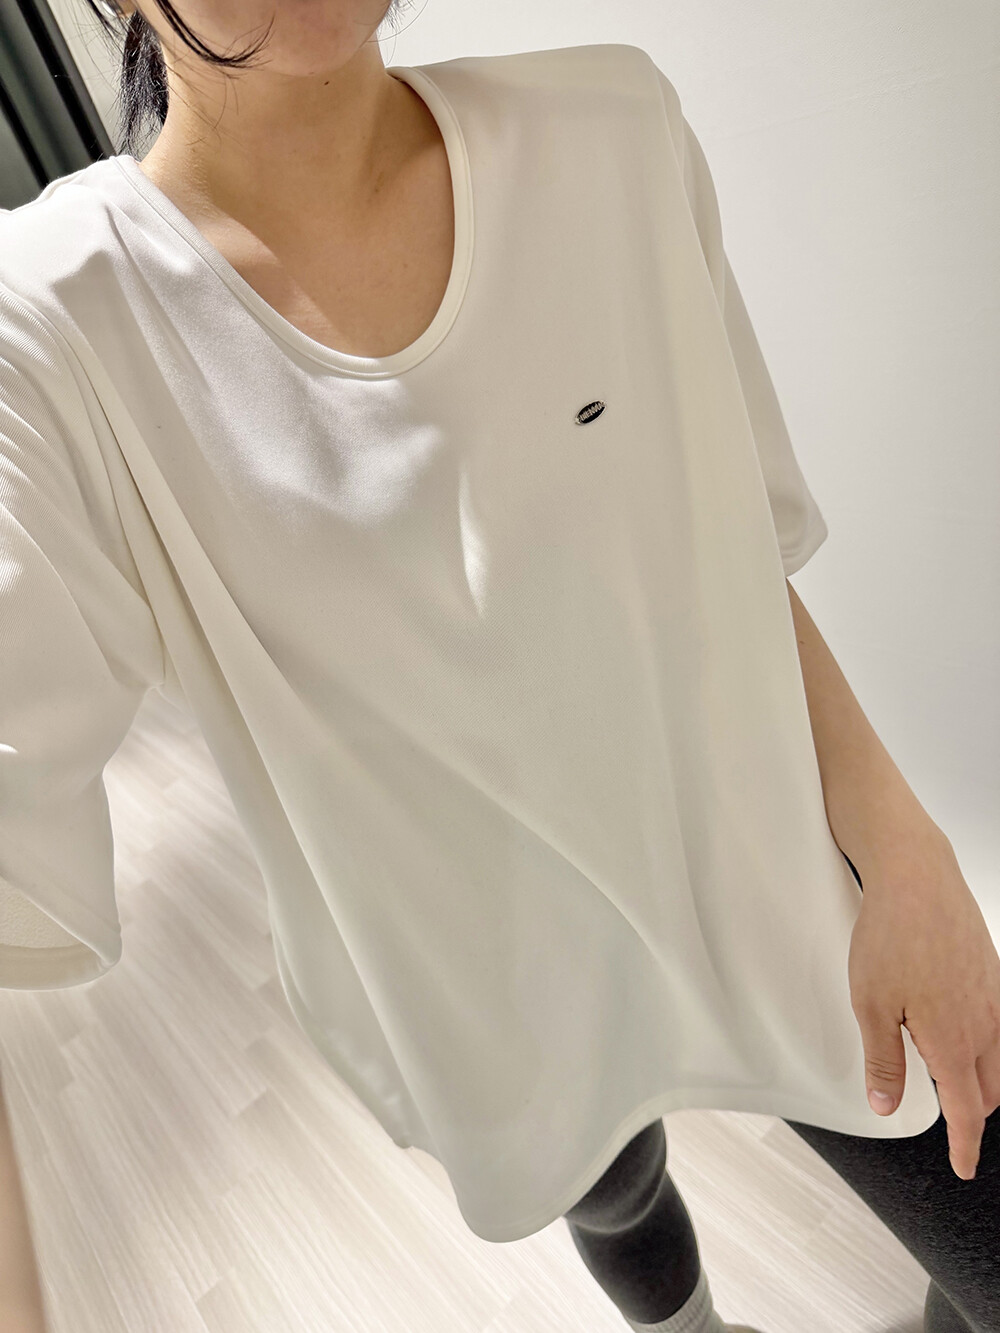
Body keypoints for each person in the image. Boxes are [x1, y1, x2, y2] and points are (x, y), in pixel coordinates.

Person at [1, 4, 997, 1332]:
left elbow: (724, 549)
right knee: (616, 1191)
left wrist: (904, 841)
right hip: (486, 970)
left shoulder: (609, 131)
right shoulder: (54, 328)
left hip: (751, 864)